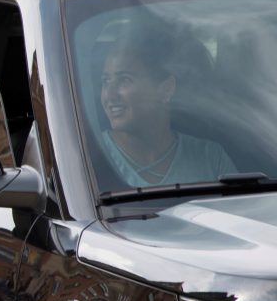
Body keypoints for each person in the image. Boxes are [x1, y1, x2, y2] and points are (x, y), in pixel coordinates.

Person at [98, 26, 236, 187]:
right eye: (105, 81)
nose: (109, 95)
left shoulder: (211, 158)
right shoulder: (87, 158)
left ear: (166, 89)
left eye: (124, 80)